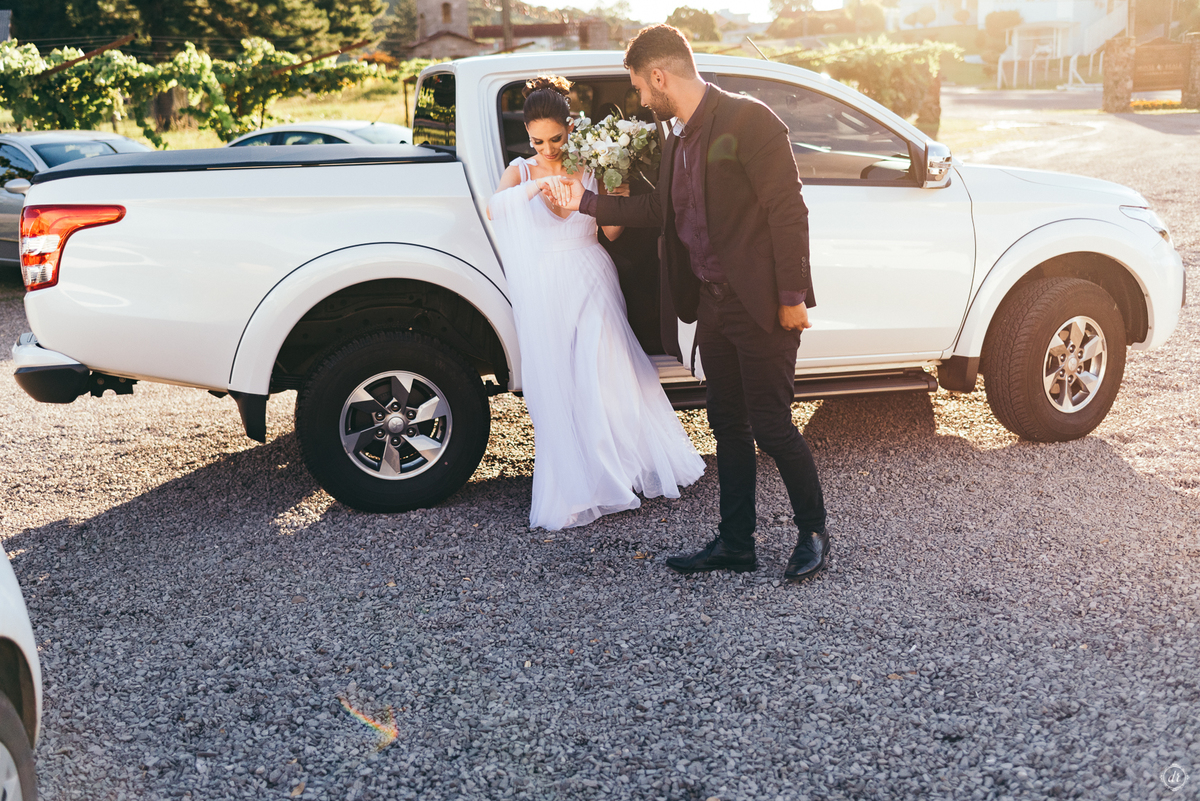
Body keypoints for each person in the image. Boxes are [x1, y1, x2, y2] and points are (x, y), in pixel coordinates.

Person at [541, 26, 829, 580]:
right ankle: (736, 543)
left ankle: (813, 532)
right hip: (714, 306)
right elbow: (659, 213)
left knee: (771, 425)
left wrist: (792, 297)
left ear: (659, 75)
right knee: (726, 422)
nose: (641, 100)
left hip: (764, 303)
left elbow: (788, 213)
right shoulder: (675, 138)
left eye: (641, 88)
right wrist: (588, 203)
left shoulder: (751, 121)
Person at [487, 75, 705, 531]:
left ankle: (623, 470)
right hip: (547, 286)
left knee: (604, 372)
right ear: (527, 137)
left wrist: (616, 195)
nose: (547, 148)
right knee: (563, 378)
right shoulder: (519, 172)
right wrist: (533, 189)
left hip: (591, 275)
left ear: (571, 130)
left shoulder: (592, 165)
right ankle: (578, 479)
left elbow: (611, 233)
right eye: (537, 140)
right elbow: (495, 208)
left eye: (556, 138)